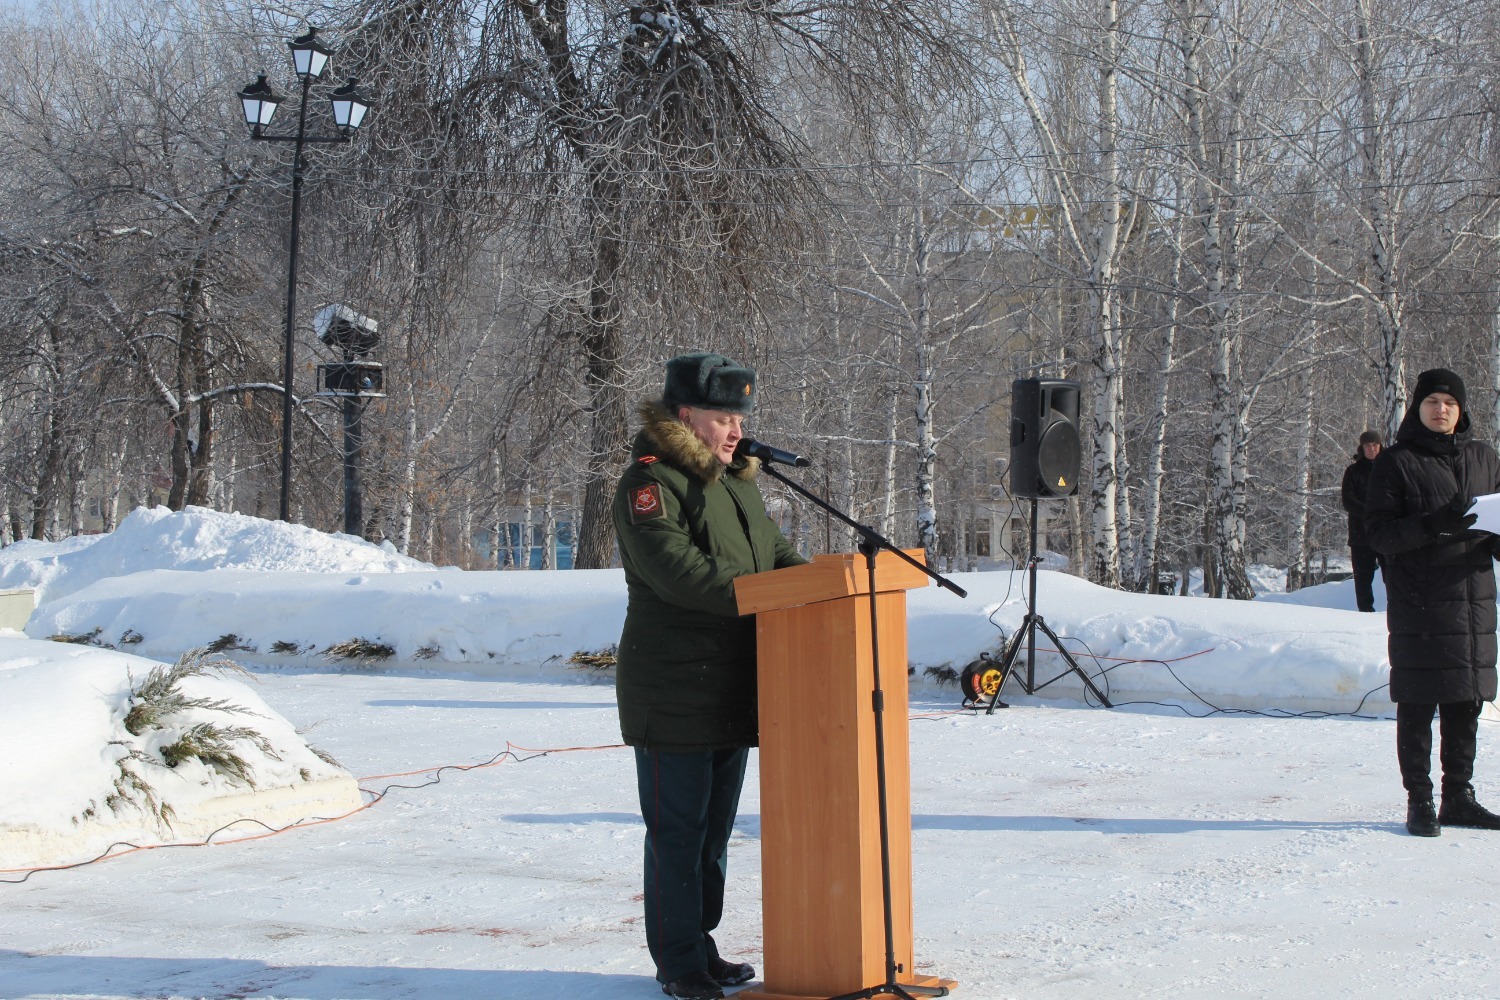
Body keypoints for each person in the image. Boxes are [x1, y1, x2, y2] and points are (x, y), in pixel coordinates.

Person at [612, 352, 808, 1000]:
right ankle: (678, 963)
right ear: (685, 415)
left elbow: (776, 555)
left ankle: (701, 943)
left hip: (731, 686)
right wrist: (770, 594)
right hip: (673, 689)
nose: (735, 430)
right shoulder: (649, 483)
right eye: (723, 417)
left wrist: (823, 587)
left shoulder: (737, 484)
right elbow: (680, 573)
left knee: (714, 835)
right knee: (679, 834)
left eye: (739, 418)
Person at [1365, 368, 1500, 837]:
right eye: (1432, 402)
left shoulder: (1484, 458)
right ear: (1417, 408)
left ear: (1461, 410)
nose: (1441, 410)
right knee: (1419, 703)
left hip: (1473, 602)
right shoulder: (1396, 462)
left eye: (1450, 403)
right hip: (1420, 603)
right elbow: (1379, 534)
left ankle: (1458, 797)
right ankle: (1419, 800)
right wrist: (1434, 523)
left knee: (1466, 702)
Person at [1341, 430, 1384, 612]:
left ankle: (1396, 612)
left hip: (1387, 532)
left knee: (1394, 576)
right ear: (1362, 448)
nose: (1372, 449)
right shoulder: (1353, 471)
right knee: (1363, 579)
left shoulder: (1390, 468)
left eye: (1375, 445)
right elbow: (1348, 500)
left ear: (1380, 446)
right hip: (1361, 534)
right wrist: (1370, 513)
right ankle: (1365, 614)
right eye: (1368, 446)